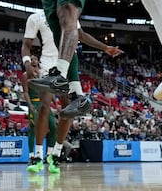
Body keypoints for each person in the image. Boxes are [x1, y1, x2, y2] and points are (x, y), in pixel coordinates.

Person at [22, 10, 123, 173]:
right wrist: (27, 64)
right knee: (44, 106)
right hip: (48, 62)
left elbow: (81, 35)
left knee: (69, 109)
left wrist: (105, 48)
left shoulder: (68, 13)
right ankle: (37, 156)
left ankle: (55, 154)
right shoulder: (36, 17)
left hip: (68, 61)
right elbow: (26, 44)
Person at [22, 55, 57, 173]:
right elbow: (26, 92)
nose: (33, 61)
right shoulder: (25, 75)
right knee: (33, 129)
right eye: (31, 59)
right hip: (34, 103)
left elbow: (50, 91)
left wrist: (55, 104)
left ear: (38, 61)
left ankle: (50, 155)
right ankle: (32, 156)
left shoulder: (43, 73)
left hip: (45, 103)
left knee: (54, 127)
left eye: (35, 59)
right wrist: (30, 105)